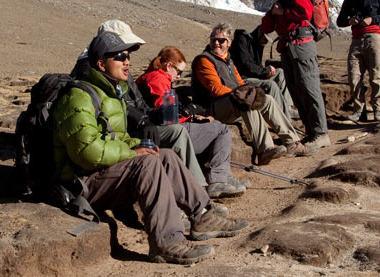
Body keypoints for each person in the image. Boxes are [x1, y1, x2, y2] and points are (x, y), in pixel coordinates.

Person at [52, 32, 248, 264]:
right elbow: (87, 153)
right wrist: (132, 153)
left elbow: (117, 138)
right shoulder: (78, 97)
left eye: (128, 56)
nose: (127, 61)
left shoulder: (111, 93)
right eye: (119, 56)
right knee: (147, 162)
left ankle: (204, 215)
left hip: (102, 176)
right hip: (81, 184)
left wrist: (140, 145)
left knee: (163, 154)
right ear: (100, 63)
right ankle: (166, 241)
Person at [70, 20, 238, 198]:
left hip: (127, 127)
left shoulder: (113, 65)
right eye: (122, 52)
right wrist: (143, 120)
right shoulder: (92, 68)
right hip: (119, 133)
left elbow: (135, 103)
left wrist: (151, 116)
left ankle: (199, 192)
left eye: (128, 53)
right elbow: (113, 105)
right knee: (176, 132)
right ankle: (197, 193)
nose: (127, 58)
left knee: (202, 130)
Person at [136, 46, 250, 198]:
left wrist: (190, 116)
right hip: (166, 130)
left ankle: (223, 177)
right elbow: (166, 114)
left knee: (216, 126)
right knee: (220, 129)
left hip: (162, 127)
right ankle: (218, 180)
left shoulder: (154, 76)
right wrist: (189, 114)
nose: (178, 76)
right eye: (179, 71)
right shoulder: (157, 78)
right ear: (168, 65)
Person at [191, 23, 312, 165]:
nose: (216, 43)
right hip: (210, 108)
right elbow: (216, 89)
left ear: (229, 43)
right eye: (213, 40)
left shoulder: (228, 59)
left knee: (267, 99)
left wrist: (248, 92)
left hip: (229, 101)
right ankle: (265, 149)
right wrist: (242, 94)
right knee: (245, 102)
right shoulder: (204, 60)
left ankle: (292, 142)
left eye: (221, 40)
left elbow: (240, 82)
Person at [261, 0, 329, 149]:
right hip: (287, 47)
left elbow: (305, 13)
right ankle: (311, 132)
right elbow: (268, 27)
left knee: (309, 87)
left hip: (301, 44)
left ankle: (321, 133)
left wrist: (283, 12)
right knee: (296, 90)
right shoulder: (280, 0)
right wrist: (274, 12)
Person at [229, 26, 298, 120]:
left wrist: (265, 72)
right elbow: (246, 64)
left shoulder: (258, 45)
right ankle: (284, 118)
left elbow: (256, 65)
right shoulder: (242, 39)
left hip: (254, 76)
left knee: (280, 73)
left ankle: (287, 108)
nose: (265, 42)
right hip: (242, 78)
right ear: (259, 34)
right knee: (271, 85)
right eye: (265, 39)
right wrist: (265, 71)